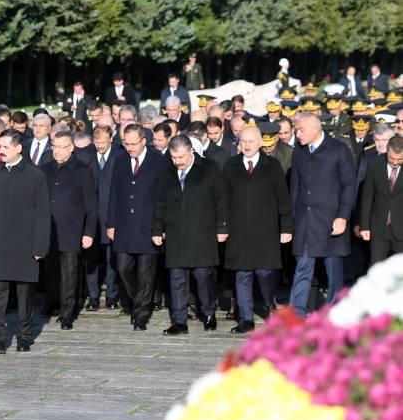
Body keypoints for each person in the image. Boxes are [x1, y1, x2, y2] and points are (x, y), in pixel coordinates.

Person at [0, 129, 50, 353]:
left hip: (25, 245)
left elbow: (43, 214)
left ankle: (24, 337)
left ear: (18, 148)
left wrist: (40, 246)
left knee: (24, 295)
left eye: (5, 146)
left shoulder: (36, 176)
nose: (1, 150)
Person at [219, 126, 294, 334]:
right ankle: (245, 318)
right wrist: (222, 226)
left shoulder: (273, 166)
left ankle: (268, 304)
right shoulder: (231, 166)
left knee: (265, 272)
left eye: (252, 141)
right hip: (239, 231)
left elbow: (283, 200)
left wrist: (286, 227)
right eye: (243, 142)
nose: (247, 146)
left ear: (261, 143)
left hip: (265, 231)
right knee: (242, 274)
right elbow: (223, 200)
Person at [152, 135, 223, 335]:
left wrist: (222, 228)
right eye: (174, 157)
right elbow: (159, 203)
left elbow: (221, 200)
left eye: (181, 157)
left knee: (203, 276)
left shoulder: (210, 168)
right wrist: (157, 229)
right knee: (177, 279)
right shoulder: (166, 172)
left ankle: (209, 313)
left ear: (191, 151)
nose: (177, 162)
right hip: (176, 234)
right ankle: (179, 321)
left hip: (203, 233)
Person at [288, 112, 357, 316]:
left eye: (301, 130)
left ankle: (334, 313)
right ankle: (296, 313)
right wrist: (293, 218)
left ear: (316, 129)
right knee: (302, 267)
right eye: (296, 129)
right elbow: (295, 187)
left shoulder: (338, 149)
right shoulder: (299, 151)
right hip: (305, 220)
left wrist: (343, 217)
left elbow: (349, 186)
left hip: (331, 221)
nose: (297, 134)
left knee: (333, 270)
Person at [107, 124, 166, 330]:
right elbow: (114, 192)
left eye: (133, 144)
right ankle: (139, 299)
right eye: (126, 143)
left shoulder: (158, 160)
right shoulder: (120, 160)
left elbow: (163, 196)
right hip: (124, 225)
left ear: (143, 141)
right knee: (123, 268)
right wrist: (111, 222)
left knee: (146, 274)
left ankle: (140, 315)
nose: (130, 148)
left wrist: (161, 225)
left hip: (148, 226)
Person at [42, 131, 96, 329]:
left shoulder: (82, 170)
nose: (56, 150)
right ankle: (52, 302)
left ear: (71, 148)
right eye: (54, 146)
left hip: (72, 231)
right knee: (50, 271)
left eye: (61, 146)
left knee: (69, 273)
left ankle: (67, 313)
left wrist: (89, 232)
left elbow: (91, 205)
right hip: (48, 231)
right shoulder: (45, 169)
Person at [86, 125, 124, 310]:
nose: (100, 146)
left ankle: (111, 296)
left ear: (111, 139)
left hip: (111, 216)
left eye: (103, 142)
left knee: (111, 260)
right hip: (91, 218)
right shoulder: (86, 155)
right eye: (96, 142)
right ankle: (93, 297)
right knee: (91, 260)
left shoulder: (119, 155)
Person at [359, 136, 403, 265]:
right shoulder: (375, 163)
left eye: (399, 159)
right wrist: (364, 226)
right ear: (387, 152)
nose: (395, 162)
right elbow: (367, 196)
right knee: (376, 270)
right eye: (392, 158)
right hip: (379, 229)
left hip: (401, 228)